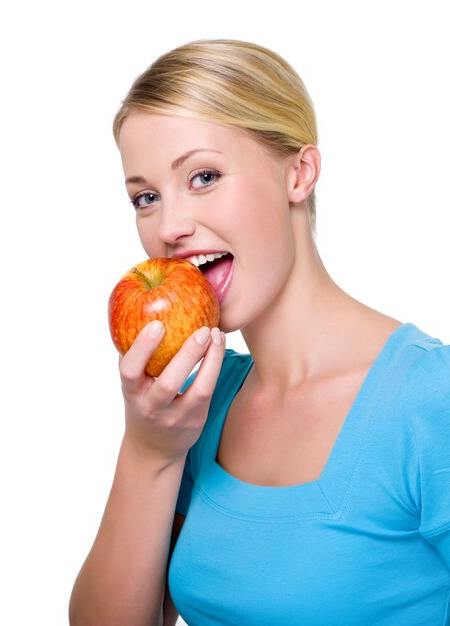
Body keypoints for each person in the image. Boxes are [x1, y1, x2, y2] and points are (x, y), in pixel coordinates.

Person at [69, 39, 450, 626]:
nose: (169, 227)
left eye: (203, 176)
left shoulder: (431, 400)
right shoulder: (202, 404)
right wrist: (149, 453)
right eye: (146, 197)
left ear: (299, 173)